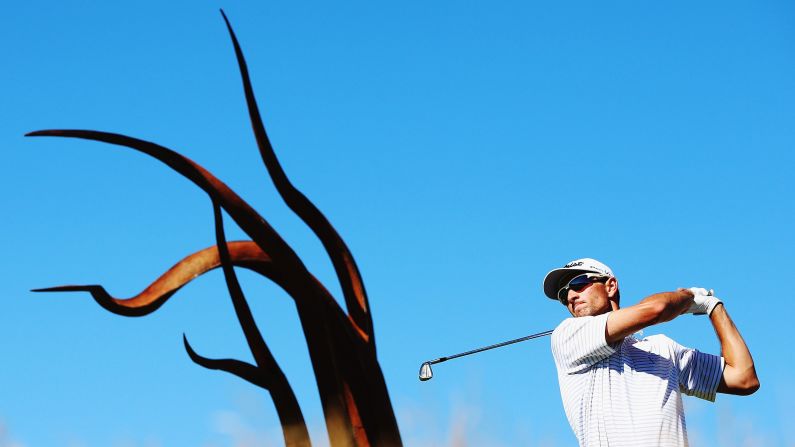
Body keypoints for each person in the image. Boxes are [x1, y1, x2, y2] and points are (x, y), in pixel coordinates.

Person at [542, 258, 759, 447]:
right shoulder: (567, 336)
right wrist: (688, 296)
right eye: (563, 294)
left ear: (610, 286)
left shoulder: (663, 349)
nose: (570, 295)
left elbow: (744, 378)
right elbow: (655, 310)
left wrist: (714, 307)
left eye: (579, 284)